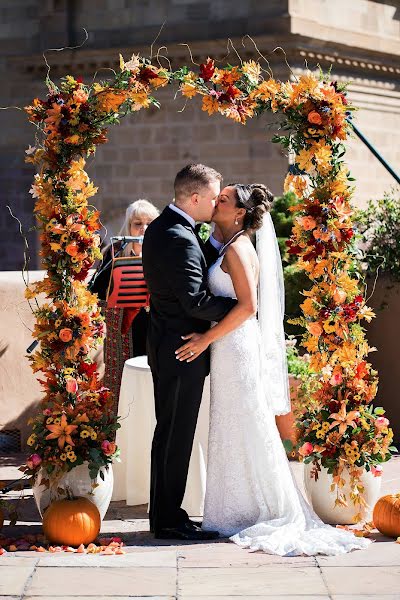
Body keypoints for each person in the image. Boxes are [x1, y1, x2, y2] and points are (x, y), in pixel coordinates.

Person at [175, 183, 371, 556]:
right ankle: (232, 507)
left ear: (239, 214)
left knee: (246, 422)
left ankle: (259, 507)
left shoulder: (238, 249)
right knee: (233, 423)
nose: (217, 201)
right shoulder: (224, 244)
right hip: (228, 347)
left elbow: (248, 307)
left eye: (225, 199)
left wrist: (204, 339)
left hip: (235, 345)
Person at [142, 164, 237, 540]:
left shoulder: (167, 227)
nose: (216, 204)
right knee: (175, 435)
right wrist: (243, 309)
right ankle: (168, 520)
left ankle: (165, 514)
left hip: (170, 345)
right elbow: (196, 301)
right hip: (183, 349)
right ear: (194, 197)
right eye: (214, 197)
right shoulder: (178, 236)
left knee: (170, 433)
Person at [90, 199, 159, 410]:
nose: (144, 228)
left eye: (149, 223)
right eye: (138, 223)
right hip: (124, 332)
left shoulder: (163, 253)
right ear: (129, 226)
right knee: (126, 390)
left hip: (155, 329)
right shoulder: (115, 252)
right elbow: (96, 291)